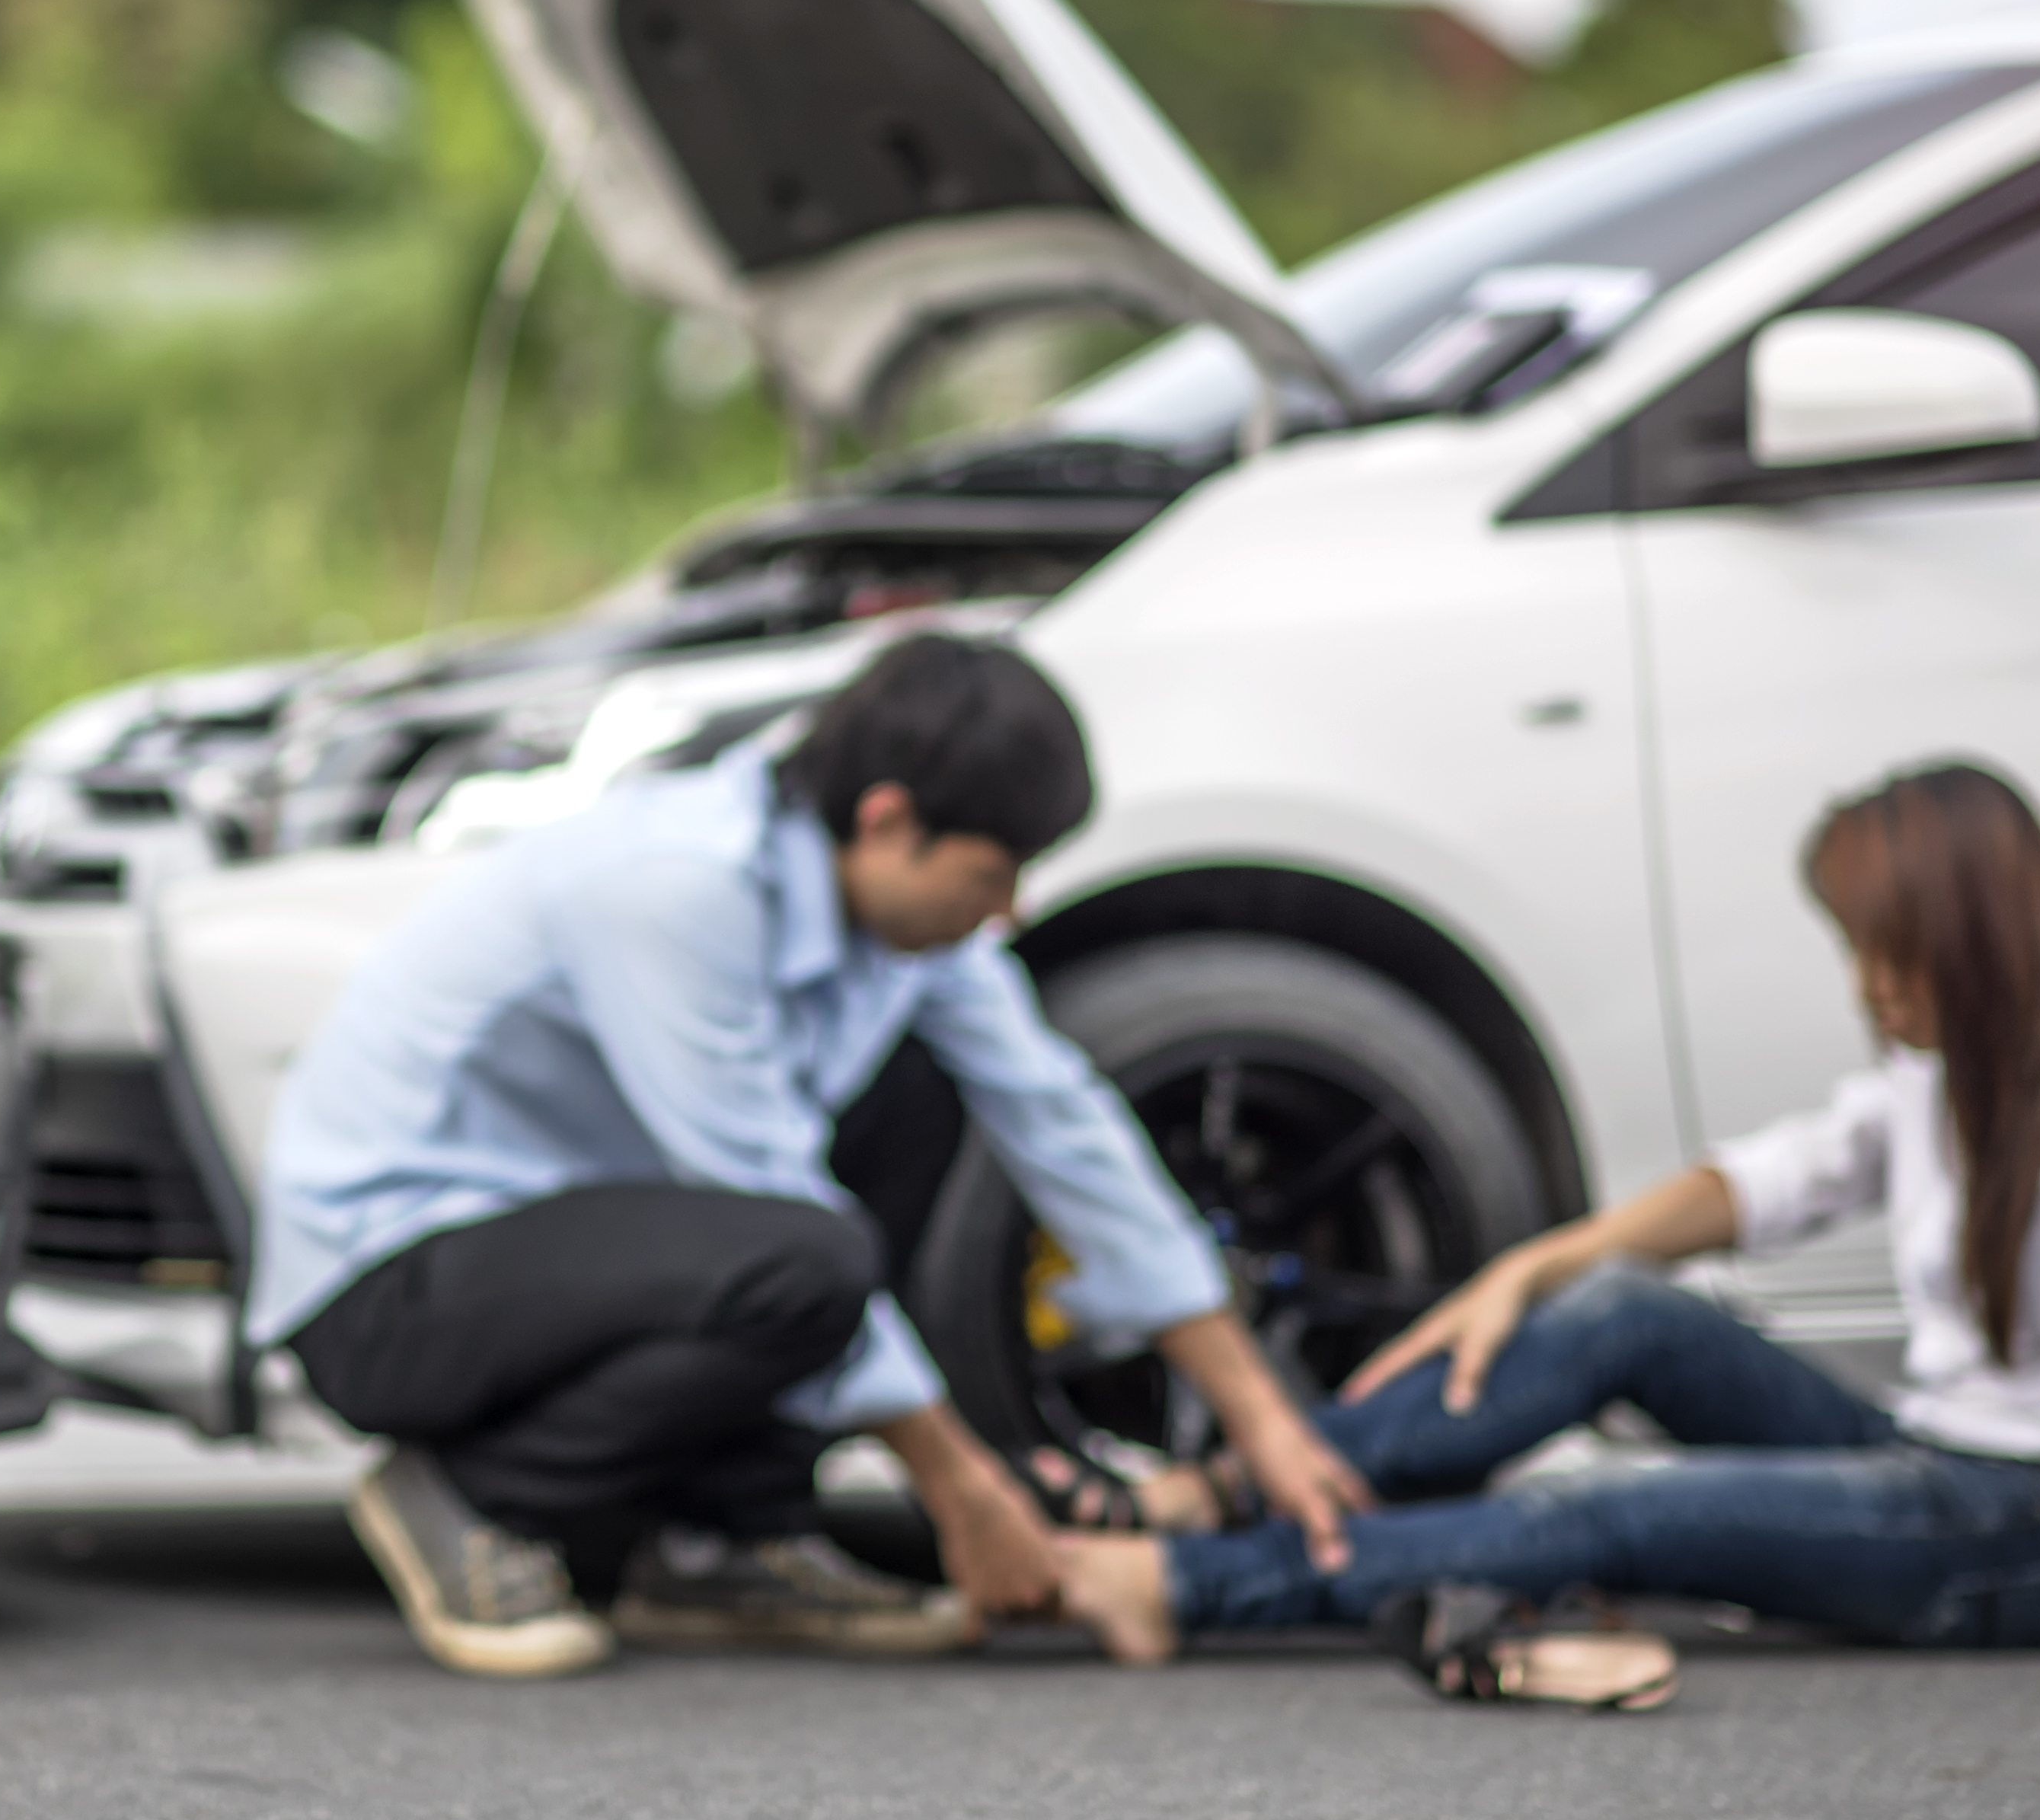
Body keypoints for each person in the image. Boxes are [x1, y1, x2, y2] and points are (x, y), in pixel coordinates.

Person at [1049, 761, 2040, 1703]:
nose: (1860, 984)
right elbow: (1751, 1187)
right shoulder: (1938, 1077)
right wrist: (1532, 1264)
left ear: (1963, 942)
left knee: (1606, 1513)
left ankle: (1183, 1580)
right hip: (1942, 1462)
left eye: (1878, 953)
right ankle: (1218, 1493)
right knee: (1626, 1313)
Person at [250, 633, 1371, 1678]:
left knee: (921, 1096)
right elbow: (760, 1187)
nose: (1010, 910)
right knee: (808, 1255)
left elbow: (1061, 1121)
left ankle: (722, 1542)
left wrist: (1264, 1420)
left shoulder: (900, 926)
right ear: (889, 821)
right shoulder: (673, 885)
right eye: (992, 875)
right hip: (390, 1279)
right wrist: (962, 1488)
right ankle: (468, 1496)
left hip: (575, 1247)